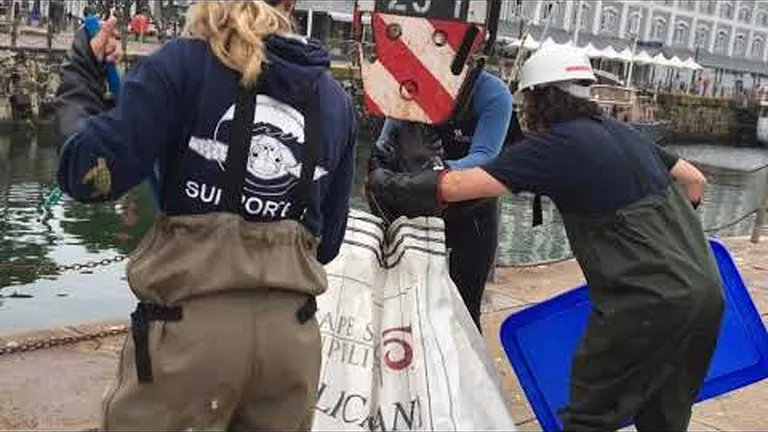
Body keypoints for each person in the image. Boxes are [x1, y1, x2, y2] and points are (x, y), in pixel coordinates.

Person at [367, 45, 724, 431]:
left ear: (537, 99)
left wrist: (390, 182)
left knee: (590, 417)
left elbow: (456, 185)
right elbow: (693, 180)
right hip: (707, 293)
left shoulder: (556, 146)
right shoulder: (626, 133)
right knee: (665, 419)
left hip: (644, 304)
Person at [54, 1, 356, 430]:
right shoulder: (335, 100)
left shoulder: (180, 67)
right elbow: (327, 243)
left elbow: (86, 174)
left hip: (188, 339)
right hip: (291, 340)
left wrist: (84, 69)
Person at [366, 68, 516, 332]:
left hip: (473, 208)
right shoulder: (412, 83)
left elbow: (486, 155)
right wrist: (382, 166)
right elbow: (384, 145)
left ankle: (467, 368)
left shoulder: (491, 93)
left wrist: (437, 168)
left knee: (465, 308)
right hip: (418, 202)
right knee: (403, 299)